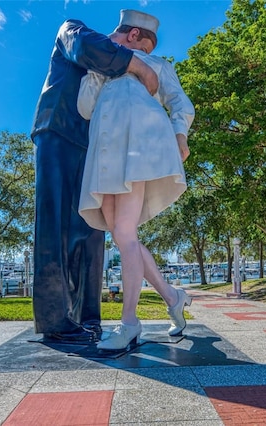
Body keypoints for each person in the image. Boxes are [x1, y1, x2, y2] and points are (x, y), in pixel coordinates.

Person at [30, 13, 159, 342]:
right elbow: (86, 46)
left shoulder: (116, 68)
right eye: (140, 50)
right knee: (55, 224)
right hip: (57, 131)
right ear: (131, 36)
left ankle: (89, 316)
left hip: (93, 146)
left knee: (93, 229)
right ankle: (55, 318)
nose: (140, 59)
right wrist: (138, 66)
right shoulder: (73, 29)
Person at [77, 10, 195, 351]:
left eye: (115, 35)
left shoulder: (157, 64)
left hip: (139, 149)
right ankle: (173, 297)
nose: (108, 39)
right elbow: (86, 107)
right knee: (122, 234)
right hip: (107, 153)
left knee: (125, 233)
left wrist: (180, 136)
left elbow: (180, 103)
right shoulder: (103, 66)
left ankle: (129, 321)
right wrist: (95, 72)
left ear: (131, 37)